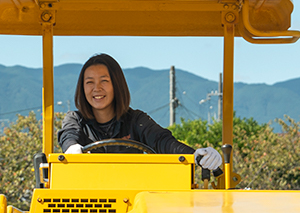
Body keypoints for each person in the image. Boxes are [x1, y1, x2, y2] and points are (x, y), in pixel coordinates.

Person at [57, 53, 222, 170]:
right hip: (89, 205)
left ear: (117, 84)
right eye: (89, 82)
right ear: (82, 87)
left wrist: (196, 155)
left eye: (104, 81)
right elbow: (69, 135)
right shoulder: (75, 119)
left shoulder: (135, 120)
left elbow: (162, 141)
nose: (96, 88)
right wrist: (72, 148)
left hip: (133, 201)